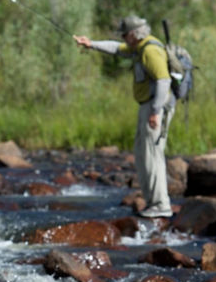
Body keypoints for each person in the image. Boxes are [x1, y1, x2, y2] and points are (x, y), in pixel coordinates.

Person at [73, 15, 175, 218]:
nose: (123, 37)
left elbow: (164, 81)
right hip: (147, 106)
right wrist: (91, 44)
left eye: (126, 34)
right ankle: (152, 202)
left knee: (153, 155)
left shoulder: (150, 50)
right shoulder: (139, 47)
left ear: (135, 34)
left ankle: (161, 205)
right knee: (142, 154)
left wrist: (155, 112)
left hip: (155, 107)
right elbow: (116, 48)